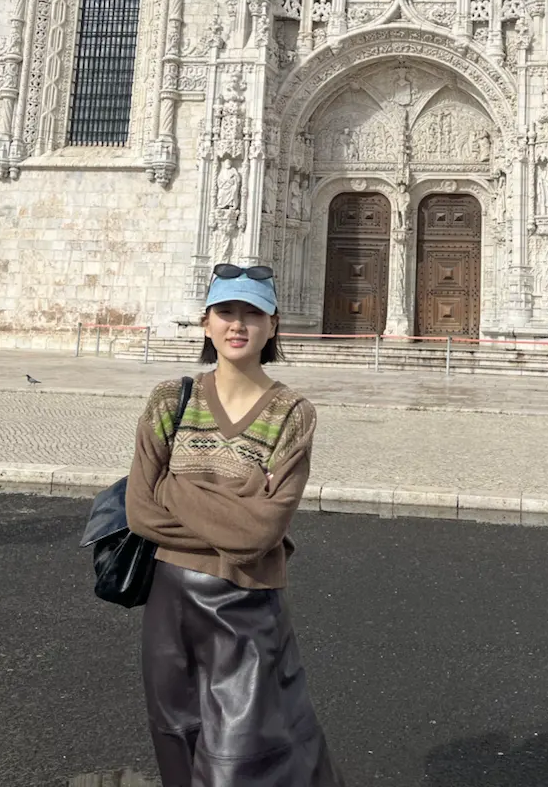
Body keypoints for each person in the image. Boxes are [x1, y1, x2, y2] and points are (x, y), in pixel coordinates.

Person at [126, 265, 345, 787]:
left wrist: (174, 488)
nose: (238, 324)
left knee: (241, 761)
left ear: (274, 326)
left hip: (246, 608)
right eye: (226, 312)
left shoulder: (293, 412)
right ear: (205, 323)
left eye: (253, 313)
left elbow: (259, 534)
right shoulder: (169, 401)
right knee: (176, 738)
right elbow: (139, 511)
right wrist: (233, 508)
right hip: (169, 605)